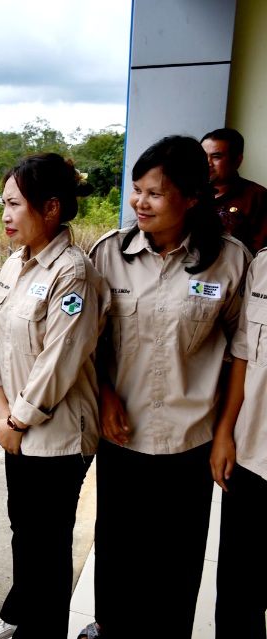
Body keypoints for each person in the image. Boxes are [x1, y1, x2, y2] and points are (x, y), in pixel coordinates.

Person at [83, 136, 249, 639]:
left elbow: (241, 353)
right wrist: (107, 394)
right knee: (116, 545)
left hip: (189, 439)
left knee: (178, 556)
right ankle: (110, 626)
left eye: (155, 193)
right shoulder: (108, 255)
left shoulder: (230, 260)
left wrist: (224, 434)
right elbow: (87, 343)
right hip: (122, 432)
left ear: (193, 196)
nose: (141, 203)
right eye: (137, 190)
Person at [0, 154, 109, 639]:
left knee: (46, 542)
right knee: (24, 530)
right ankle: (20, 614)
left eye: (14, 205)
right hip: (16, 429)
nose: (5, 216)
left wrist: (18, 419)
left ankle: (41, 630)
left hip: (59, 435)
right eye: (3, 204)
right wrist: (2, 412)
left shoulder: (74, 273)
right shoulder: (12, 265)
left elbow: (61, 360)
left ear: (51, 208)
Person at [211, 247, 267, 638]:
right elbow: (243, 353)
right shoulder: (263, 264)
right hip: (251, 455)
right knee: (236, 592)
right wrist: (225, 432)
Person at [202, 128, 267, 253]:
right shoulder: (188, 194)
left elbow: (261, 253)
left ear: (237, 160)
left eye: (216, 157)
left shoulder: (257, 196)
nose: (207, 163)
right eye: (203, 156)